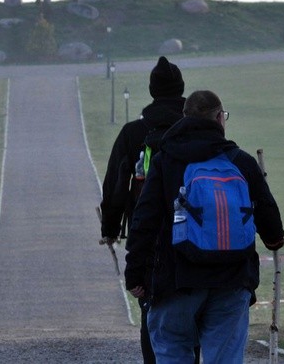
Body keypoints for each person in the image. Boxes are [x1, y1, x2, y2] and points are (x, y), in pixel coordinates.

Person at [124, 90, 284, 364]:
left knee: (172, 347)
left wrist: (136, 274)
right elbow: (272, 229)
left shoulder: (165, 161)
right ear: (220, 118)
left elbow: (144, 222)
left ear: (183, 119)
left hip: (177, 280)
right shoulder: (240, 161)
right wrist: (273, 240)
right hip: (233, 281)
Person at [99, 56, 186, 364]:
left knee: (151, 311)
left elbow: (114, 186)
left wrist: (110, 229)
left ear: (152, 91)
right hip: (195, 233)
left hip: (146, 234)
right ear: (181, 90)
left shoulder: (132, 133)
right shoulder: (198, 129)